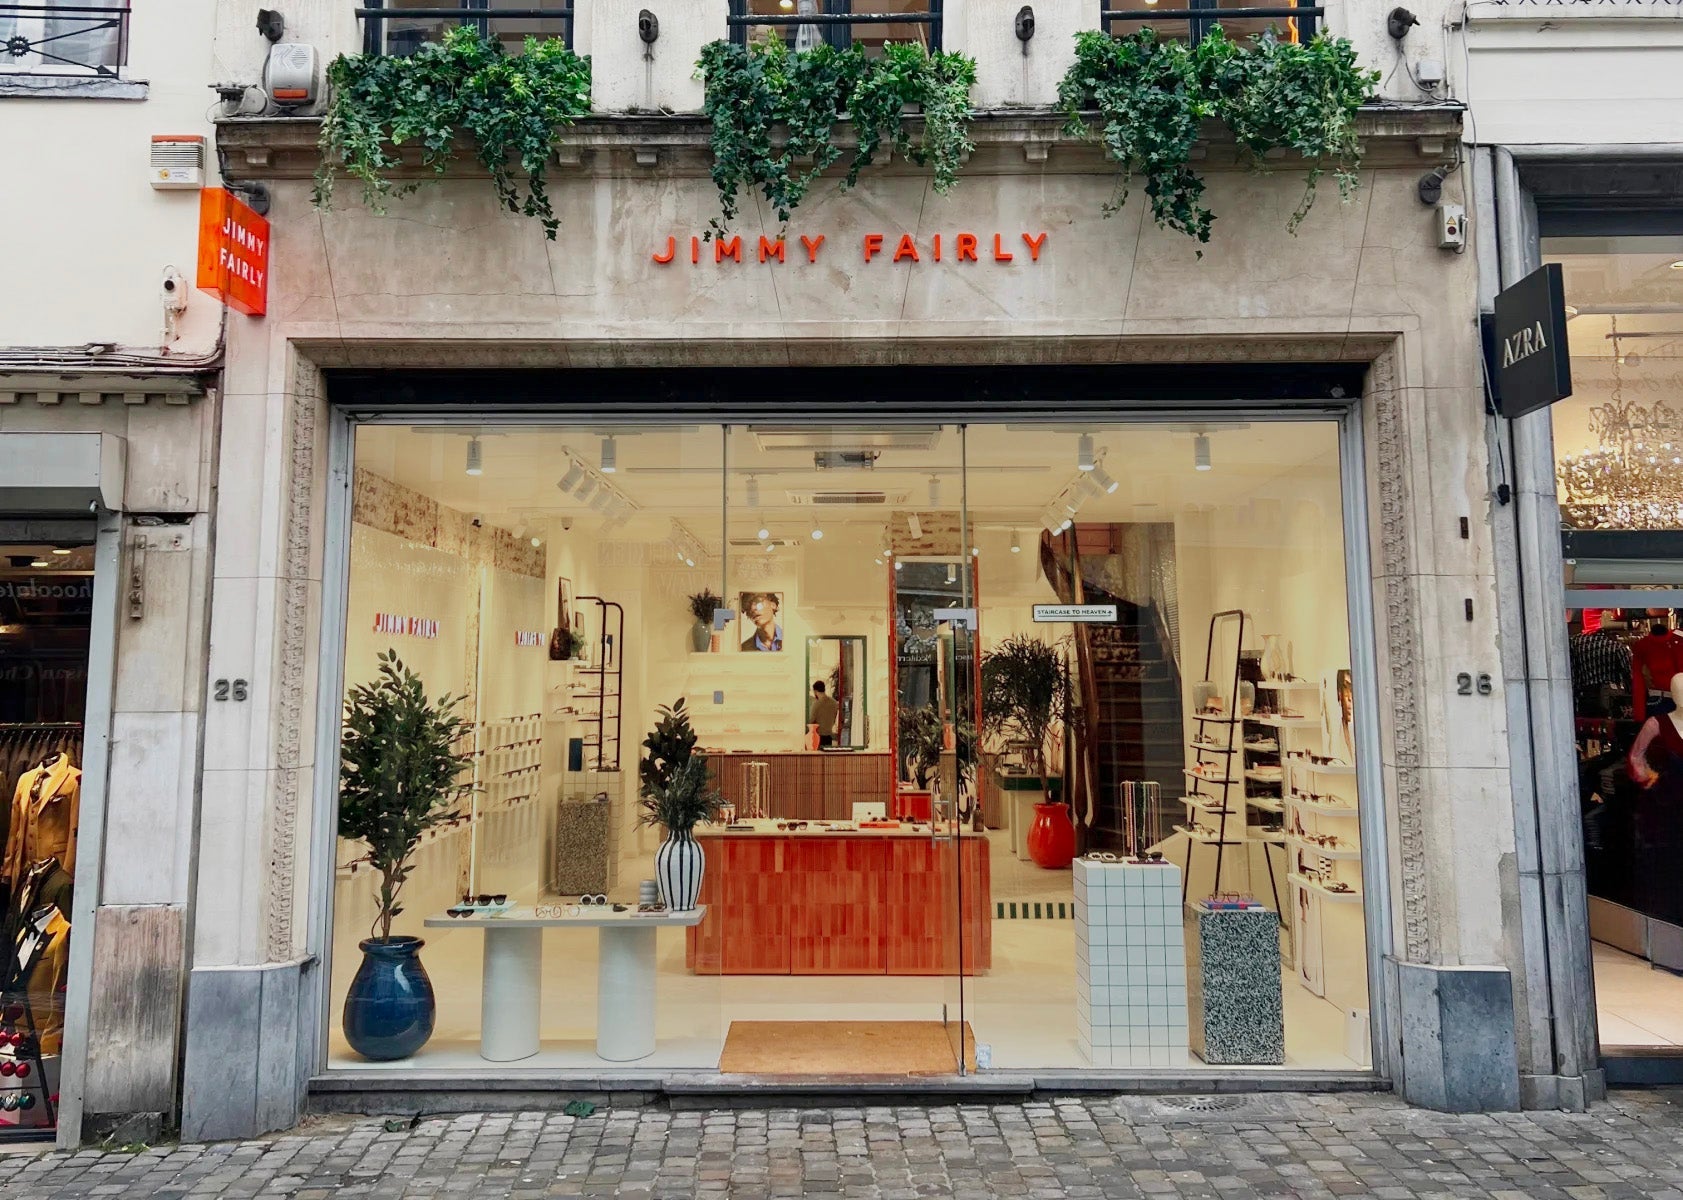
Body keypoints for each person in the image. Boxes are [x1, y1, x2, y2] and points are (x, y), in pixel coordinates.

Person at [810, 681, 839, 748]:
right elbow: (834, 718)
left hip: (818, 736)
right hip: (829, 736)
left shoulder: (816, 704)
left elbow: (811, 720)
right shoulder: (834, 702)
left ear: (815, 691)